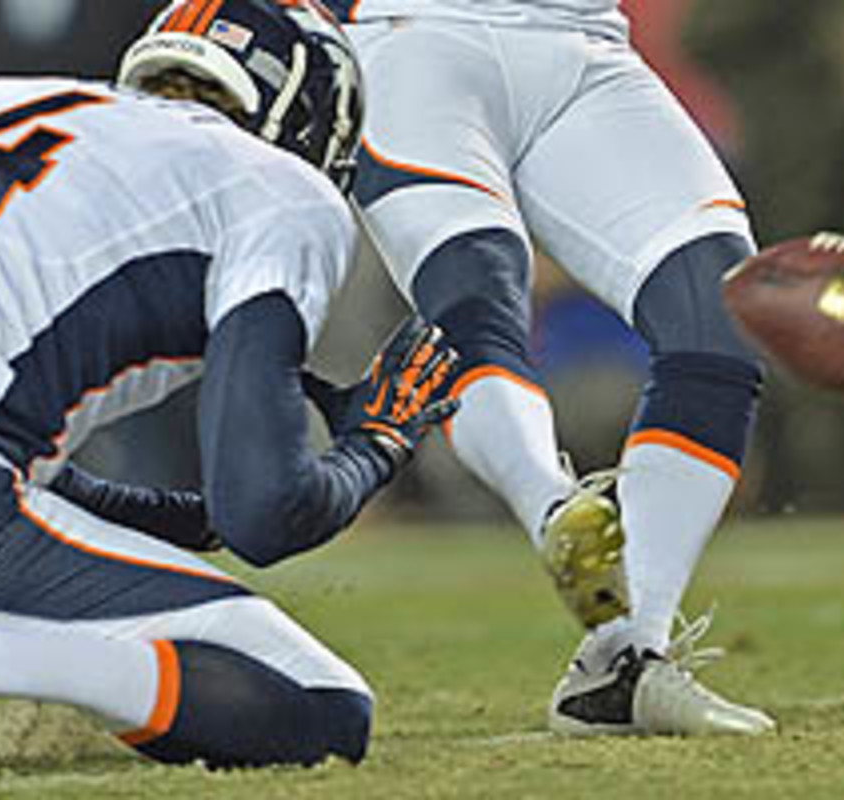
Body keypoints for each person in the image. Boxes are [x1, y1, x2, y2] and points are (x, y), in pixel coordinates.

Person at [0, 0, 458, 790]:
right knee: (323, 705)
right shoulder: (281, 189)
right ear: (310, 113)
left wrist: (188, 517)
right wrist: (375, 448)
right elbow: (266, 515)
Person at [326, 0, 776, 734]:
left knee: (718, 317)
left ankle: (627, 661)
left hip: (586, 44)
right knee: (473, 305)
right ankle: (553, 508)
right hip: (417, 36)